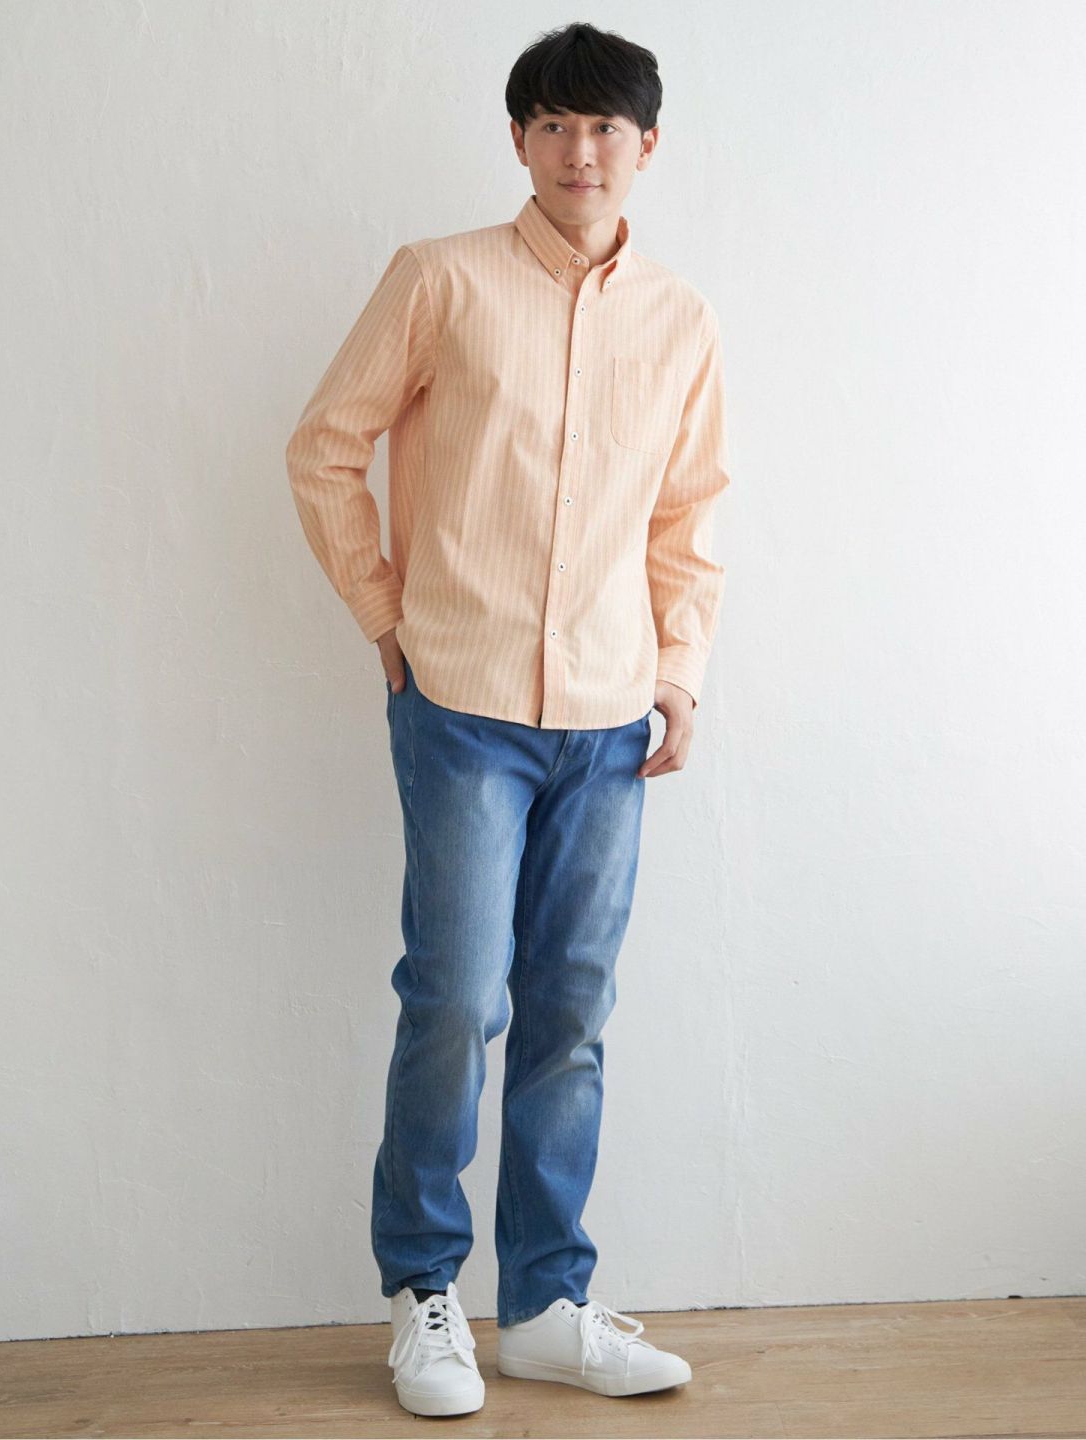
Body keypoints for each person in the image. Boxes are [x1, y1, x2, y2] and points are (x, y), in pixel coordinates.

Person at [285, 20, 731, 1419]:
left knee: (571, 1013)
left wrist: (678, 672)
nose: (578, 150)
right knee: (458, 997)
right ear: (520, 139)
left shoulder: (680, 320)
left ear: (645, 146)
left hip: (608, 719)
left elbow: (687, 515)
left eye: (604, 127)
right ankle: (424, 1289)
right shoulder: (441, 279)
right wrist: (383, 615)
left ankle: (542, 1306)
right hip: (462, 701)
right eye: (552, 123)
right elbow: (326, 446)